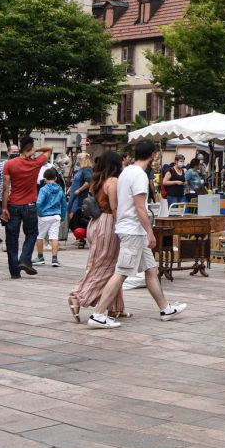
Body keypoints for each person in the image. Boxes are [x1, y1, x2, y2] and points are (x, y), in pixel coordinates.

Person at [87, 139, 187, 329]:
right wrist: (150, 232)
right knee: (122, 271)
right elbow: (140, 208)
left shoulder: (126, 172)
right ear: (153, 155)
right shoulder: (140, 175)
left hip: (131, 228)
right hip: (133, 229)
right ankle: (98, 314)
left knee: (150, 269)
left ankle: (165, 308)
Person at [68, 151, 126, 322]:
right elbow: (114, 208)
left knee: (106, 264)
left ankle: (115, 308)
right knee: (107, 267)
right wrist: (123, 228)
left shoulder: (97, 180)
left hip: (95, 223)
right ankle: (78, 296)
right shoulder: (113, 181)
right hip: (108, 223)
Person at [1, 137, 54, 278]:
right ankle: (25, 259)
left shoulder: (9, 164)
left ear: (20, 147)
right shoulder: (36, 163)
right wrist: (34, 150)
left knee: (11, 238)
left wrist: (4, 208)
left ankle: (14, 272)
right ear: (30, 148)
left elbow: (6, 188)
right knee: (31, 233)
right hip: (30, 205)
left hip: (13, 204)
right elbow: (50, 148)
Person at [34, 168, 67, 267]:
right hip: (56, 215)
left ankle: (40, 257)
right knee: (54, 237)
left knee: (40, 236)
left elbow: (39, 203)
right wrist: (62, 217)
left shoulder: (43, 189)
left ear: (44, 178)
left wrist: (38, 212)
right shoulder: (60, 189)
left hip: (44, 215)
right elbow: (64, 204)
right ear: (56, 178)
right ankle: (55, 259)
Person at [67, 152, 93, 219]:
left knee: (74, 214)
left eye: (78, 159)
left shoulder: (87, 169)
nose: (77, 161)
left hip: (79, 197)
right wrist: (70, 188)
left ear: (82, 160)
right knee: (70, 213)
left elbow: (88, 182)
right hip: (74, 195)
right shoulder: (80, 170)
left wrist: (79, 190)